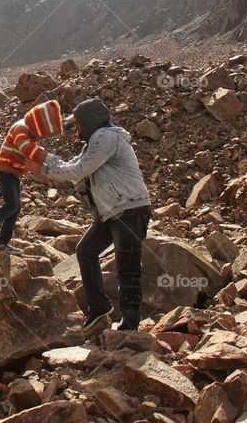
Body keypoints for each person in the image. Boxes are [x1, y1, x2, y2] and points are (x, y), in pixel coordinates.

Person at [27, 98, 152, 337]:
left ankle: (130, 326)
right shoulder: (95, 142)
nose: (77, 128)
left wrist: (42, 169)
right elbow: (76, 163)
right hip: (112, 212)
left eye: (79, 124)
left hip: (129, 209)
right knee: (85, 251)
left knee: (128, 267)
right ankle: (100, 308)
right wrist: (44, 157)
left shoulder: (105, 138)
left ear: (89, 121)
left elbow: (78, 171)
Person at [0, 99, 63, 255]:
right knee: (11, 205)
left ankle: (3, 243)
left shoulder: (29, 133)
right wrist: (48, 157)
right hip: (5, 170)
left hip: (12, 173)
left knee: (15, 209)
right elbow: (26, 148)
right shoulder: (21, 128)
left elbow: (30, 151)